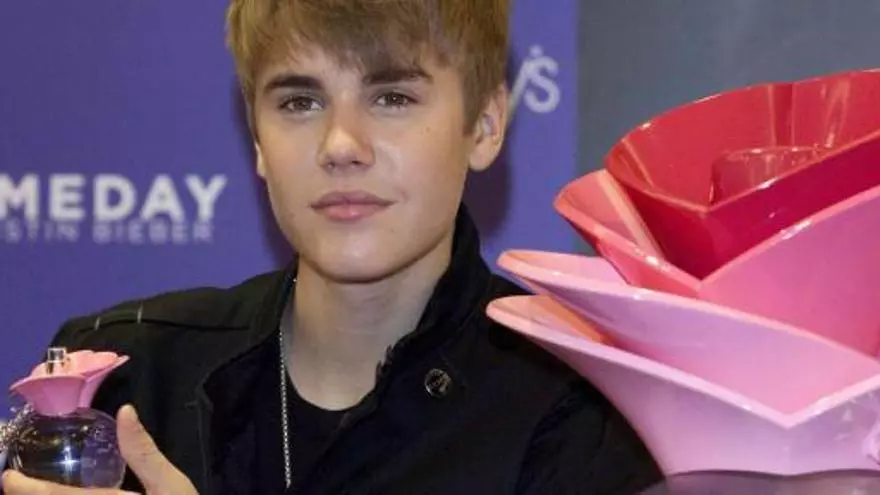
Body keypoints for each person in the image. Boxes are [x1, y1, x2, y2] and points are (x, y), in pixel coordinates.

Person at [2, 0, 661, 493]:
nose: (341, 145)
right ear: (257, 139)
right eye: (300, 102)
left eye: (392, 96)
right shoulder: (127, 378)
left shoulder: (580, 410)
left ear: (485, 124)